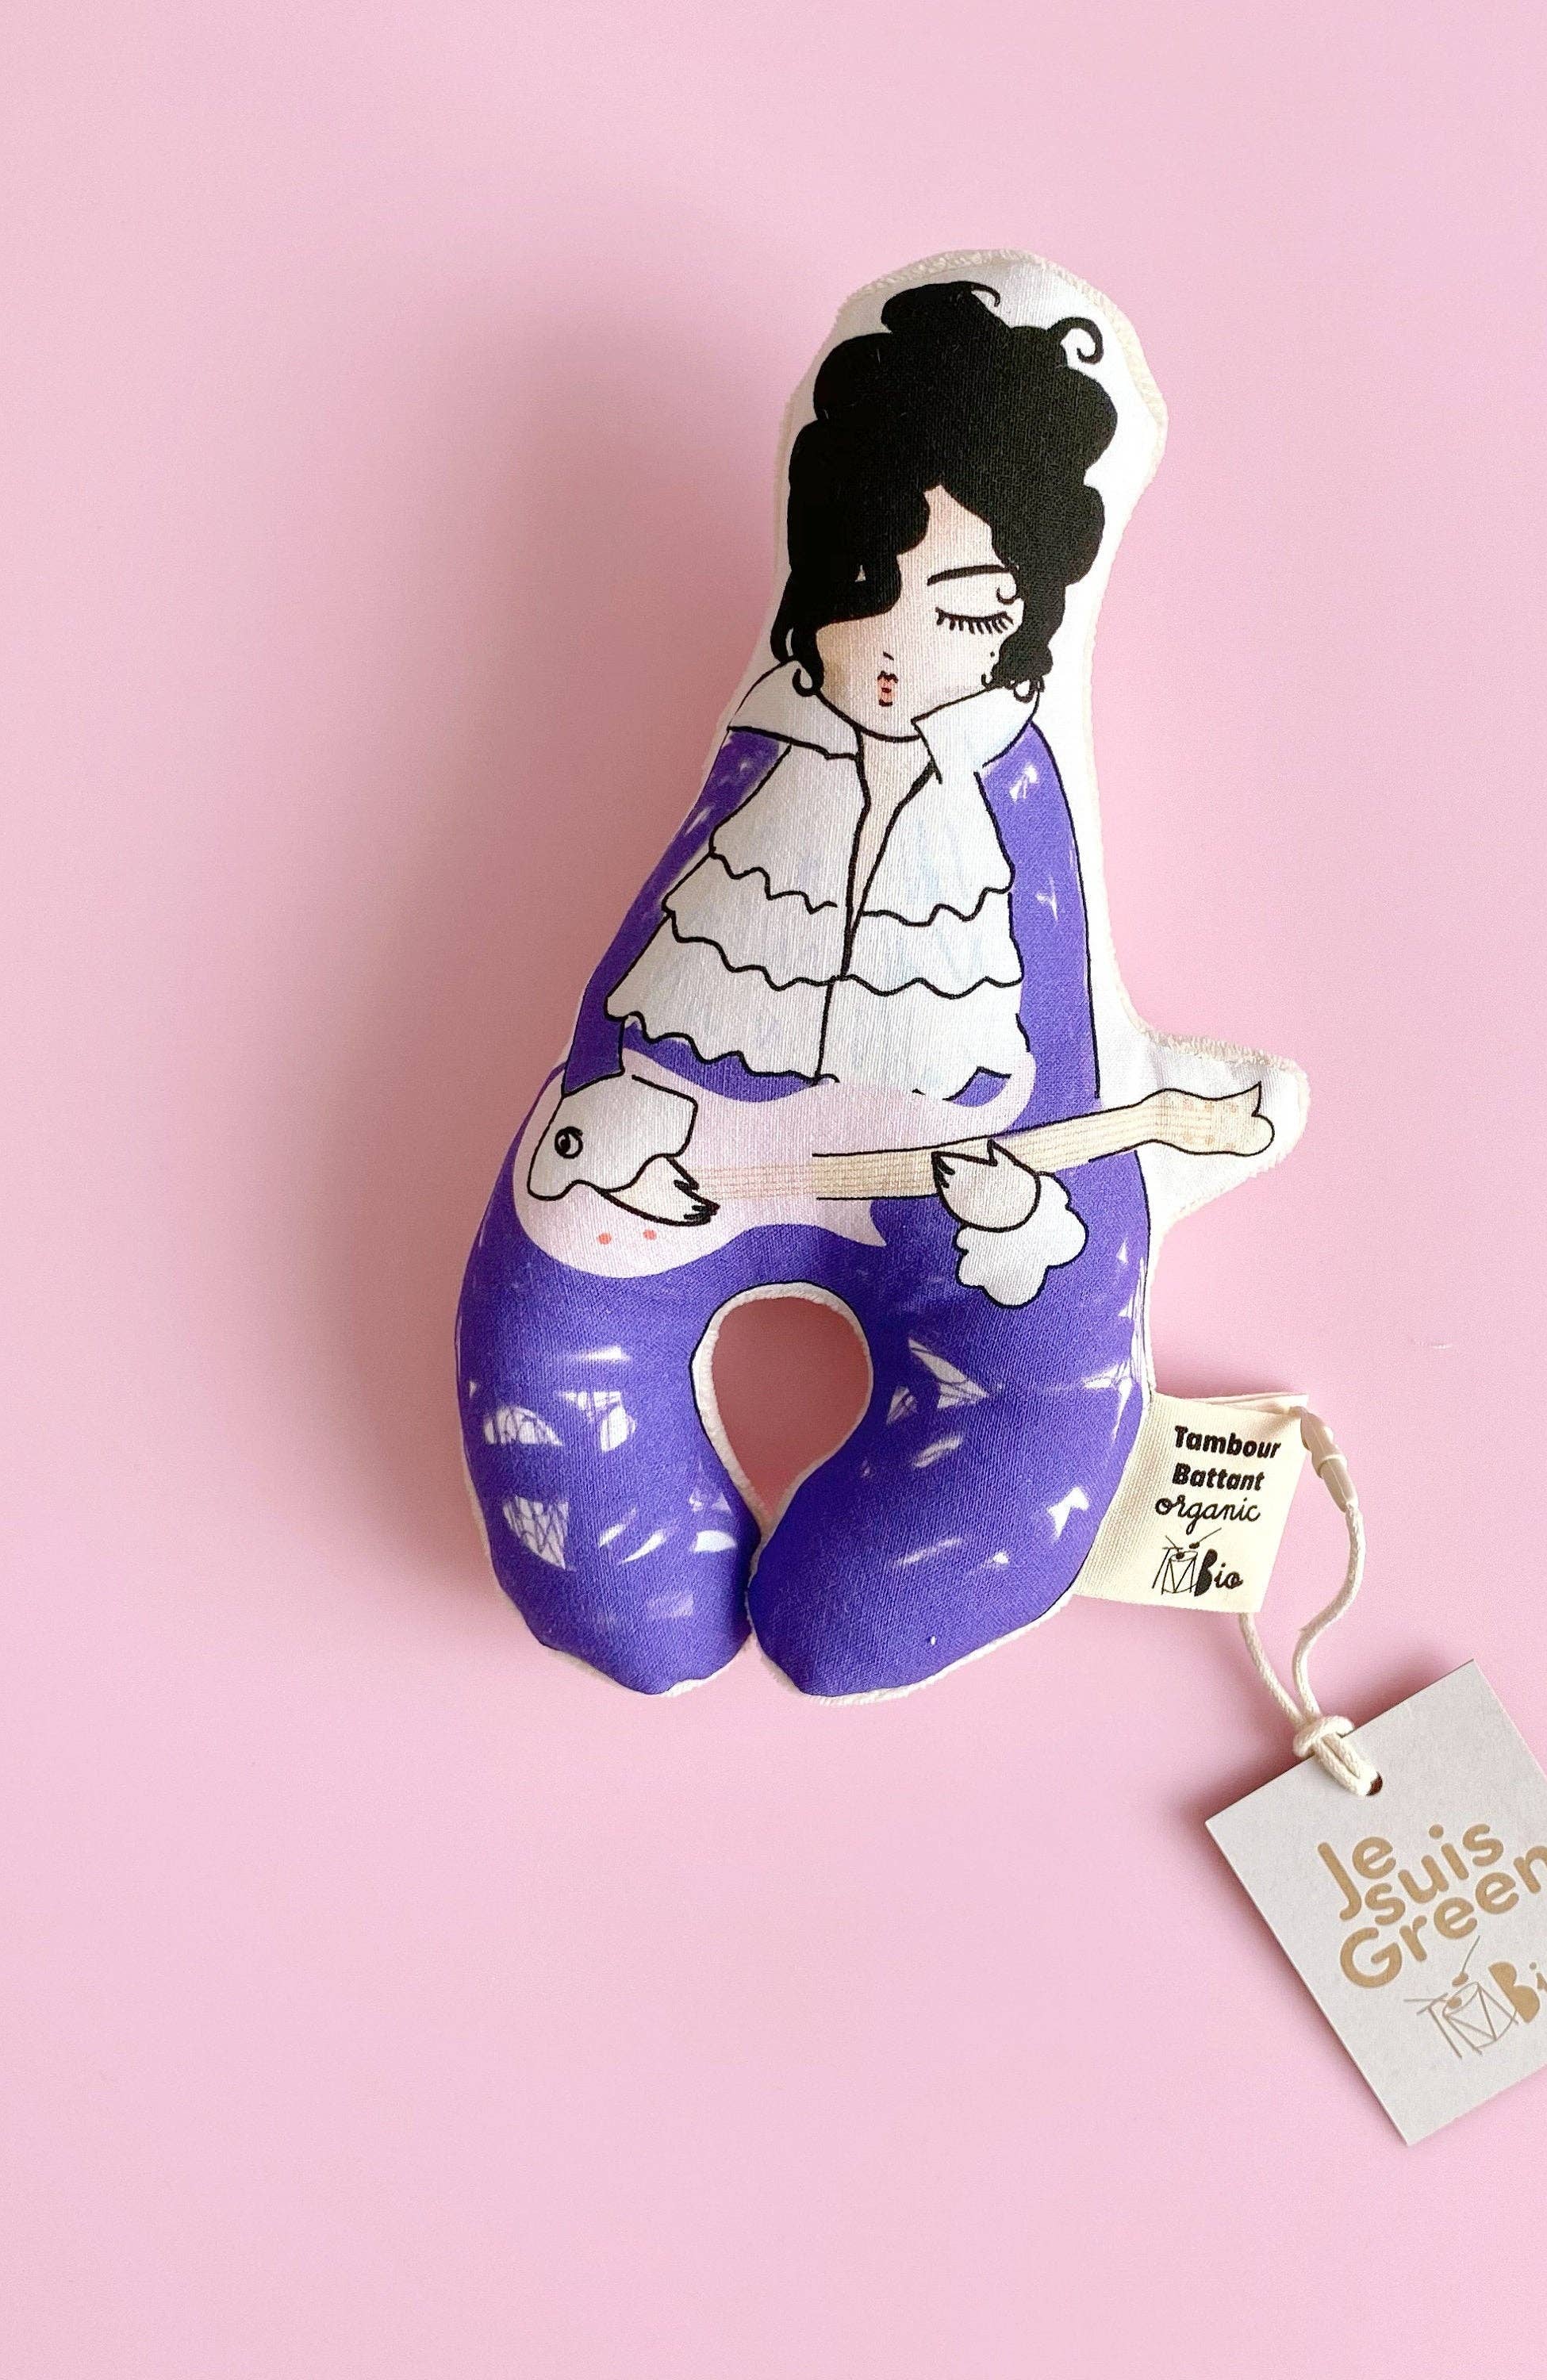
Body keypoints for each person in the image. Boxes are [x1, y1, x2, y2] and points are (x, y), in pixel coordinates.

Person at [456, 281, 1154, 1699]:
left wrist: (1074, 1176)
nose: (891, 649)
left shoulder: (1012, 783)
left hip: (967, 1170)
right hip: (664, 1137)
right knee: (548, 1323)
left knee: (1037, 1376)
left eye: (965, 611)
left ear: (1023, 618)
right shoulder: (773, 745)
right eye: (861, 589)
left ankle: (883, 1580)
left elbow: (1055, 1009)